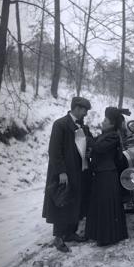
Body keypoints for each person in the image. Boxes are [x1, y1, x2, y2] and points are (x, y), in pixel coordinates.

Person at [42, 96, 93, 252]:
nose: (85, 113)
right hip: (65, 172)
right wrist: (61, 172)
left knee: (75, 201)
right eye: (84, 110)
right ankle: (58, 237)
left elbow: (88, 142)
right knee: (61, 201)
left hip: (79, 171)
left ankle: (71, 233)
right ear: (76, 108)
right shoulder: (61, 124)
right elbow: (54, 151)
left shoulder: (82, 127)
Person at [85, 107, 130, 247]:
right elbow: (96, 147)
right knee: (100, 204)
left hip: (107, 175)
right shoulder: (105, 134)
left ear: (111, 124)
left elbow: (99, 148)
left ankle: (107, 237)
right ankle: (98, 234)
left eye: (105, 120)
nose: (103, 122)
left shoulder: (113, 136)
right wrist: (86, 133)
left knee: (105, 206)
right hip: (101, 173)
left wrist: (86, 138)